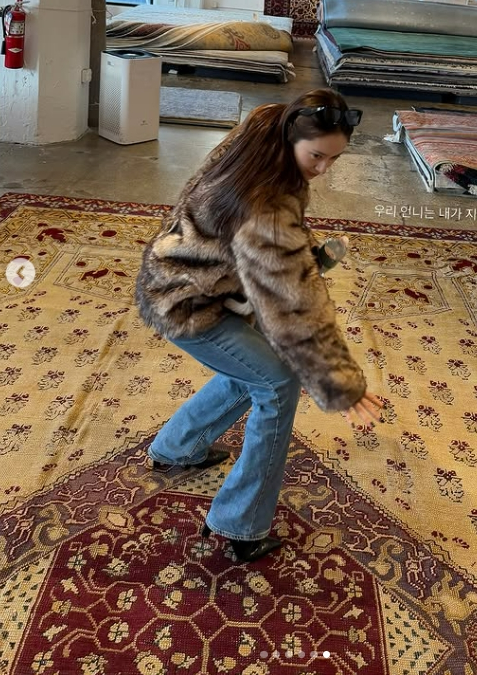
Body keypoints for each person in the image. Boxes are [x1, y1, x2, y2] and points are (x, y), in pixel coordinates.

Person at [135, 87, 383, 562]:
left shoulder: (265, 132)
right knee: (279, 381)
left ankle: (177, 448)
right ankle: (241, 525)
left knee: (255, 368)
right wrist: (340, 382)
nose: (323, 169)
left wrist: (300, 254)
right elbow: (297, 307)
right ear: (294, 136)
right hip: (191, 304)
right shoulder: (266, 207)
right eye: (317, 156)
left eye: (334, 158)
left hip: (191, 282)